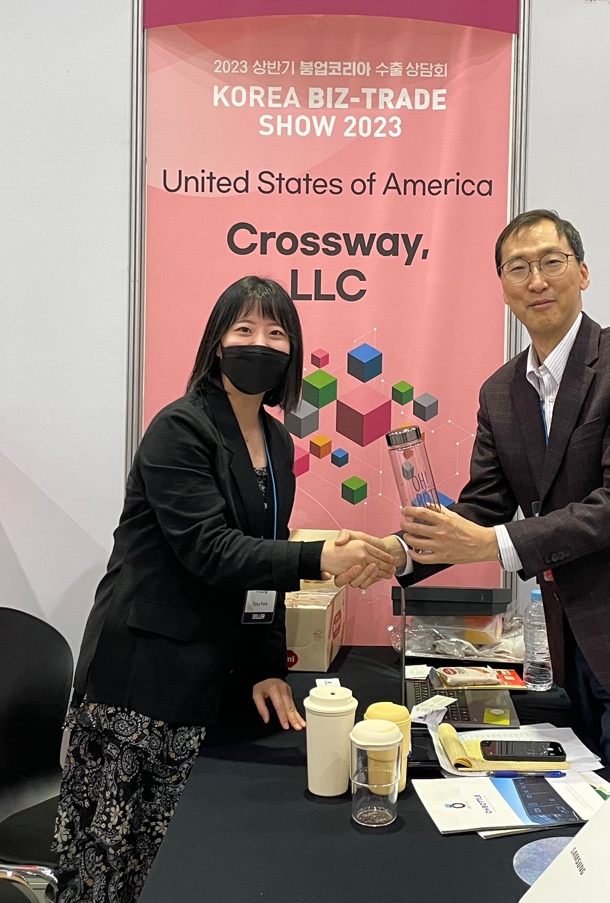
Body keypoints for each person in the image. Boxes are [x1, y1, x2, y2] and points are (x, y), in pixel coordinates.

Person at [373, 210, 610, 853]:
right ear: (502, 287)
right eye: (518, 267)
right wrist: (398, 554)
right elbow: (485, 503)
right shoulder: (501, 391)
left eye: (551, 261)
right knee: (588, 834)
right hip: (576, 649)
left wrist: (495, 545)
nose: (537, 279)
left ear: (583, 272)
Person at [56, 275, 398, 903]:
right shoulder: (179, 429)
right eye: (244, 329)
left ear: (292, 352)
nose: (259, 344)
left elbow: (262, 559)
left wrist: (268, 666)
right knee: (110, 873)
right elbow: (210, 551)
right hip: (141, 682)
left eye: (276, 333)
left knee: (184, 866)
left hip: (212, 682)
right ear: (217, 342)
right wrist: (321, 557)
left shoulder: (277, 441)